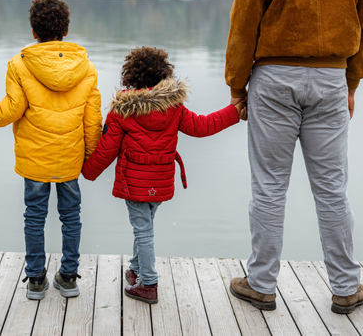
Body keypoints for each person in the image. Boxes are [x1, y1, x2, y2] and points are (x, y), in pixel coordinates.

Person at [224, 0, 363, 314]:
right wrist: (350, 81)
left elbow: (242, 30)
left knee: (270, 187)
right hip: (331, 79)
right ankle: (347, 288)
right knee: (331, 188)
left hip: (273, 80)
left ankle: (261, 284)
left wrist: (238, 87)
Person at [82, 47, 245, 304]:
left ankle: (149, 284)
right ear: (164, 76)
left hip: (134, 183)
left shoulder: (123, 110)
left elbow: (106, 149)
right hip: (160, 181)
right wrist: (234, 111)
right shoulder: (174, 107)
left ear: (131, 76)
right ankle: (136, 268)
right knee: (145, 227)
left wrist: (87, 171)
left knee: (143, 230)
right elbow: (202, 126)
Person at [0, 0, 102, 300]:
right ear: (66, 30)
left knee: (34, 216)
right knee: (71, 216)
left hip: (35, 158)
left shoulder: (20, 65)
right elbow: (93, 122)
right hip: (70, 159)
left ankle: (36, 280)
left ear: (33, 31)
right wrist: (92, 160)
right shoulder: (87, 68)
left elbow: (9, 111)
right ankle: (68, 278)